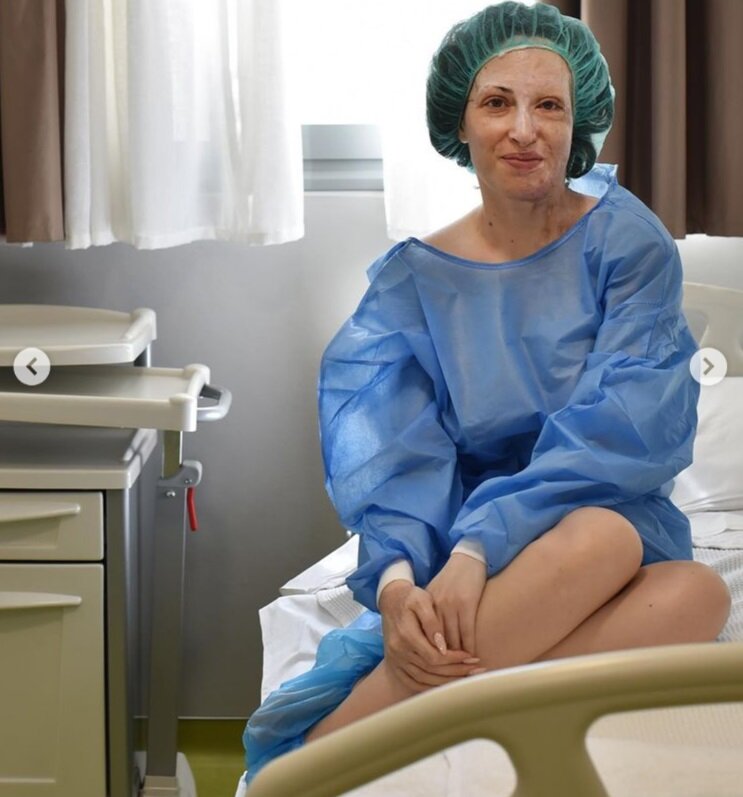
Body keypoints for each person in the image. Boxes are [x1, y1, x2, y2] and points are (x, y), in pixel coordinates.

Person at [242, 0, 731, 782]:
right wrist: (398, 585)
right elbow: (397, 460)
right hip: (463, 543)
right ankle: (327, 751)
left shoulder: (625, 242)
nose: (524, 130)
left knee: (693, 590)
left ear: (578, 123)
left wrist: (480, 550)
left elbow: (621, 425)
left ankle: (420, 705)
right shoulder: (413, 281)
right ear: (459, 123)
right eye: (497, 103)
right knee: (605, 544)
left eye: (549, 106)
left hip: (600, 511)